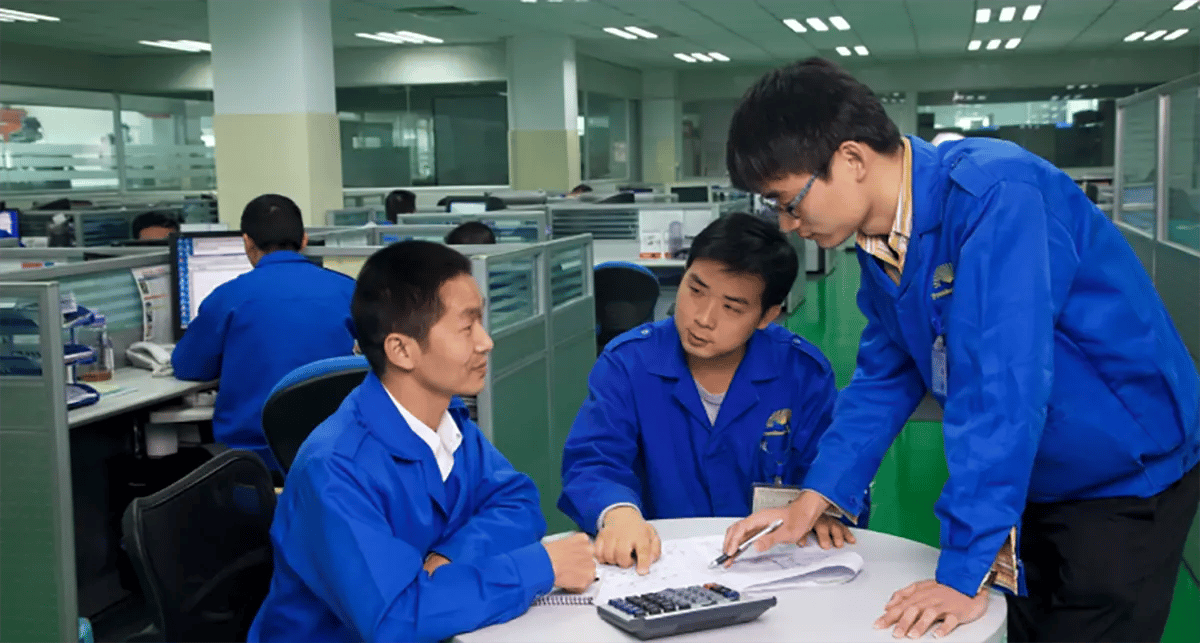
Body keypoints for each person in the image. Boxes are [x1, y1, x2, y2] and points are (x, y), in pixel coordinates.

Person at [721, 57, 1199, 642]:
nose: (787, 223)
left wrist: (964, 569)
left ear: (850, 158)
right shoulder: (881, 237)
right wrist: (820, 493)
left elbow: (1001, 388)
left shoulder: (998, 195)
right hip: (1031, 478)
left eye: (787, 200)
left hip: (1121, 476)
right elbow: (884, 374)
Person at [248, 241, 596, 643]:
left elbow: (516, 500)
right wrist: (539, 569)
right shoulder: (335, 469)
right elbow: (394, 619)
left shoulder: (449, 424)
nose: (486, 342)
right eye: (467, 327)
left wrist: (452, 558)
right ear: (401, 349)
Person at [559, 212, 859, 574]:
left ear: (767, 316)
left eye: (732, 307)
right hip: (657, 566)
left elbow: (833, 462)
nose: (703, 318)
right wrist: (617, 513)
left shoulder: (801, 372)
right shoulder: (628, 364)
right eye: (695, 290)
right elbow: (595, 460)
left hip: (767, 564)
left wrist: (821, 508)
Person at [172, 194, 357, 473]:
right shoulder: (349, 291)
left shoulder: (228, 297)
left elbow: (189, 367)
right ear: (304, 240)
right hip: (335, 457)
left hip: (252, 462)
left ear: (247, 242)